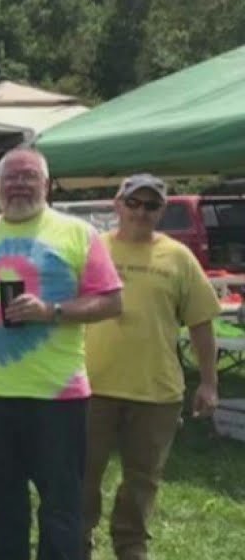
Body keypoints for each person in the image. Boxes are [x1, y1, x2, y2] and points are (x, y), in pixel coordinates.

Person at [0, 148, 123, 560]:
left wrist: (53, 311)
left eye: (29, 177)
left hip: (56, 397)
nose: (19, 184)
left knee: (60, 505)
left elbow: (112, 302)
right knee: (2, 503)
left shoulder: (77, 233)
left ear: (46, 185)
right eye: (11, 177)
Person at [82, 174, 220, 560]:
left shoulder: (178, 257)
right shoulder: (91, 250)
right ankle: (78, 542)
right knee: (82, 477)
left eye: (151, 206)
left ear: (161, 211)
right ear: (117, 204)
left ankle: (131, 547)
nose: (141, 212)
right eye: (134, 203)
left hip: (156, 392)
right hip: (92, 388)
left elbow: (201, 323)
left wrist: (209, 383)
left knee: (141, 483)